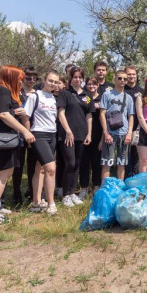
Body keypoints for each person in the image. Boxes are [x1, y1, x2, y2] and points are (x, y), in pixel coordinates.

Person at [0, 66, 35, 227]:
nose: (21, 81)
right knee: (2, 176)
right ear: (10, 77)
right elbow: (3, 114)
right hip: (5, 139)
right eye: (18, 78)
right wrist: (25, 131)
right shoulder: (3, 90)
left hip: (0, 138)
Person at [24, 70, 60, 215]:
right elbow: (26, 117)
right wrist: (28, 134)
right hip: (38, 134)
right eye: (51, 80)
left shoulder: (53, 97)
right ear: (45, 80)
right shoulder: (35, 96)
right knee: (51, 168)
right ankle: (51, 203)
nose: (53, 84)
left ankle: (36, 202)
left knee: (41, 169)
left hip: (52, 135)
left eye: (56, 82)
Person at [57, 67, 93, 207]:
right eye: (75, 77)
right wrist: (68, 131)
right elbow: (61, 113)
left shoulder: (87, 95)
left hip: (82, 134)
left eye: (80, 77)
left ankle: (73, 193)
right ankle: (65, 195)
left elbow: (89, 116)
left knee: (77, 165)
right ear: (70, 78)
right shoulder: (64, 93)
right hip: (67, 135)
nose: (78, 79)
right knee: (70, 163)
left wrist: (89, 133)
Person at [100, 70, 135, 180]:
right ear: (115, 79)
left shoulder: (128, 98)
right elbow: (102, 113)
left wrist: (129, 133)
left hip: (123, 133)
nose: (122, 81)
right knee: (107, 162)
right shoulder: (107, 94)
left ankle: (119, 188)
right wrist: (106, 132)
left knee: (122, 163)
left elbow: (131, 116)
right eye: (120, 78)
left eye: (124, 79)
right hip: (110, 132)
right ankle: (105, 188)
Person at [13, 66, 38, 205]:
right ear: (22, 78)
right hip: (19, 132)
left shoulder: (39, 92)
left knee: (33, 164)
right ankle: (16, 193)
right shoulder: (17, 93)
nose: (31, 80)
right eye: (28, 77)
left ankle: (32, 191)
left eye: (35, 78)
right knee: (18, 164)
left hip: (36, 132)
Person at [80, 76, 103, 196]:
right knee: (84, 162)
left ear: (98, 85)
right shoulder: (84, 98)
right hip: (84, 134)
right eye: (89, 84)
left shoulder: (103, 98)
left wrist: (102, 139)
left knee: (96, 163)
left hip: (98, 135)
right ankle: (84, 187)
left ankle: (96, 186)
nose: (91, 86)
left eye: (94, 84)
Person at [123, 66, 143, 177]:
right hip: (123, 128)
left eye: (133, 74)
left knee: (136, 156)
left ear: (136, 76)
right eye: (129, 74)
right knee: (124, 156)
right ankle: (125, 178)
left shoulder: (142, 91)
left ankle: (135, 178)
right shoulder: (121, 90)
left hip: (137, 128)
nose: (131, 76)